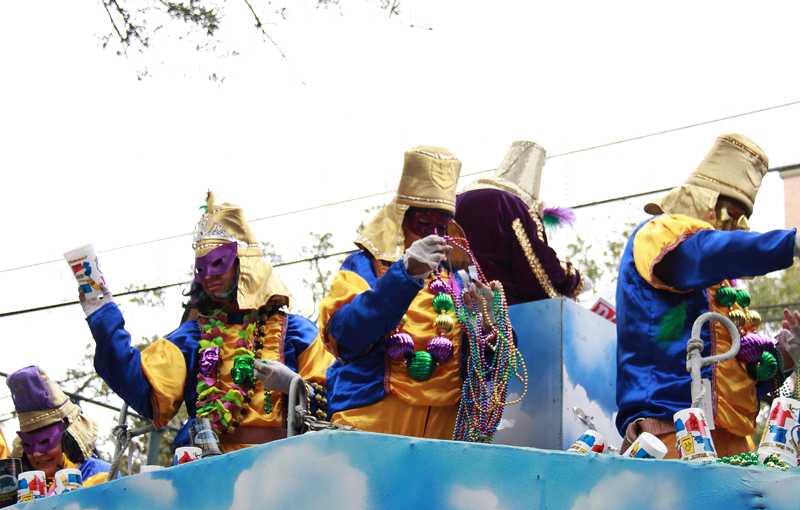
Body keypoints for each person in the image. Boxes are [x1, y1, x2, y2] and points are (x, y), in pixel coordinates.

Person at [615, 133, 800, 458]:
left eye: (744, 217)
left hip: (735, 446)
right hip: (670, 439)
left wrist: (784, 358)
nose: (738, 226)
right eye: (731, 212)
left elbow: (732, 386)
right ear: (706, 200)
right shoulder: (659, 234)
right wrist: (797, 243)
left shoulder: (719, 287)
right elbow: (704, 252)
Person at [81, 193, 332, 453]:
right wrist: (101, 313)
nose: (208, 276)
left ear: (243, 262)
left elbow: (335, 401)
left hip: (284, 471)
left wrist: (294, 385)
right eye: (201, 268)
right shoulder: (192, 336)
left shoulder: (297, 332)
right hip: (207, 474)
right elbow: (145, 391)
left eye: (218, 263)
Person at [300, 145, 500, 439]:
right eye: (423, 225)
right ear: (400, 221)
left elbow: (486, 374)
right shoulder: (364, 266)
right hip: (371, 426)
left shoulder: (459, 281)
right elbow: (343, 337)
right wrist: (404, 276)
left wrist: (487, 326)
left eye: (441, 227)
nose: (433, 235)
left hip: (444, 436)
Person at [454, 141, 589, 305]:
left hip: (445, 304)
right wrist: (575, 280)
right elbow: (539, 265)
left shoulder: (458, 200)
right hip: (496, 311)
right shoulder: (512, 205)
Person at [7, 366, 110, 490]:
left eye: (45, 441)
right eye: (28, 444)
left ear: (67, 439)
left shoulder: (101, 477)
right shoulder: (21, 491)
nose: (36, 454)